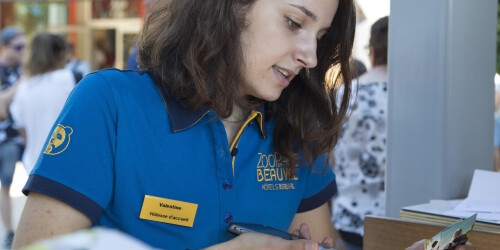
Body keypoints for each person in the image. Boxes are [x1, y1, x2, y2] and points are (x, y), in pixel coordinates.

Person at [10, 2, 472, 250]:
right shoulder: (108, 104)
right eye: (294, 22)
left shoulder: (299, 125)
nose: (311, 56)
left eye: (321, 38)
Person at [330, 16, 389, 250]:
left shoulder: (347, 92)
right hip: (399, 217)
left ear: (372, 52)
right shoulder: (413, 95)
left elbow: (332, 154)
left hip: (350, 216)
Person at [9, 33, 76, 175]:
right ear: (62, 54)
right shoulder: (69, 78)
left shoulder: (24, 88)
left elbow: (23, 133)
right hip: (67, 164)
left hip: (34, 166)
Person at [0, 26, 25, 249]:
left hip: (27, 136)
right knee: (6, 186)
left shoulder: (24, 68)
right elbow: (1, 110)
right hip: (6, 138)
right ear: (5, 47)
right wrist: (20, 84)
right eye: (19, 47)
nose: (23, 51)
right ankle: (9, 232)